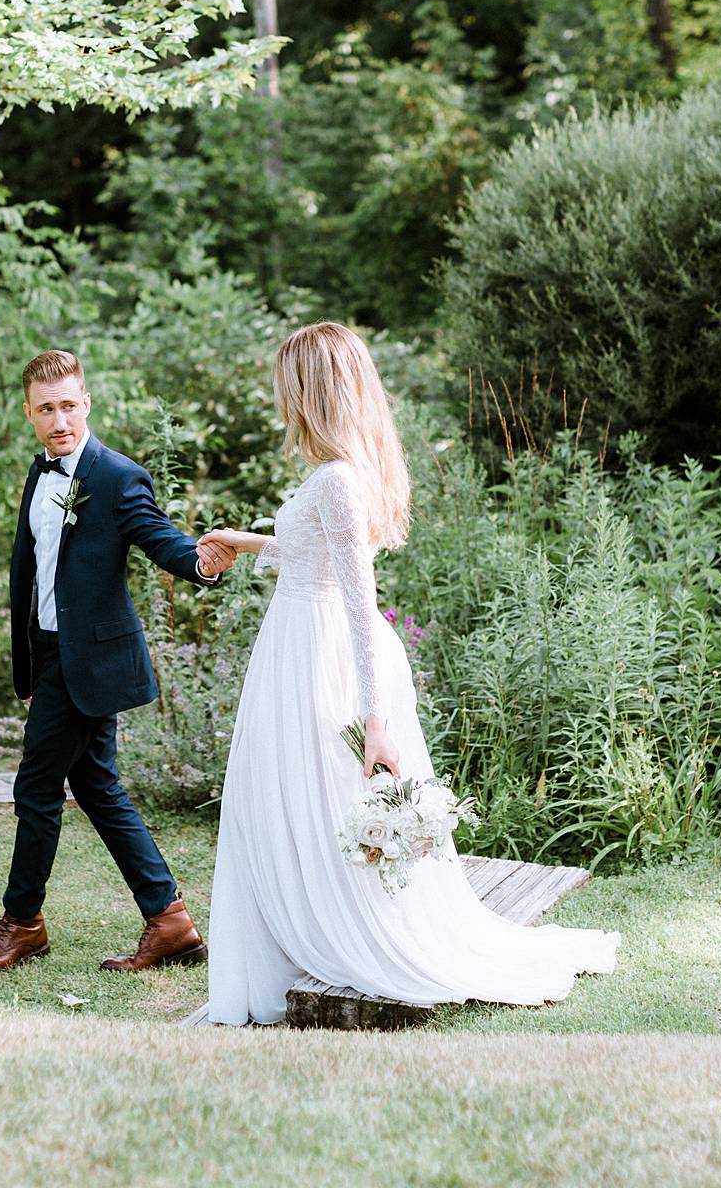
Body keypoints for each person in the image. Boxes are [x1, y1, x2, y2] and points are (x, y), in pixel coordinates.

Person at [198, 321, 620, 1025]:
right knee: (285, 804)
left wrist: (375, 723)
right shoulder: (337, 473)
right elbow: (314, 557)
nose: (281, 401)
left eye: (287, 387)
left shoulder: (336, 480)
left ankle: (335, 931)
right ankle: (296, 926)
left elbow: (361, 606)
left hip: (322, 655)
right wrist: (249, 543)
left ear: (310, 391)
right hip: (305, 644)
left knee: (313, 801)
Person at [0, 349, 237, 976]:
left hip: (89, 662)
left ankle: (22, 924)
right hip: (53, 654)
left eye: (68, 406)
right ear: (29, 413)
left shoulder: (115, 476)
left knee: (36, 787)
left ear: (86, 404)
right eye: (46, 409)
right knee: (96, 786)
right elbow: (31, 576)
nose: (59, 420)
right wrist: (30, 663)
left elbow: (156, 535)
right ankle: (171, 923)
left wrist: (199, 562)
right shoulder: (41, 474)